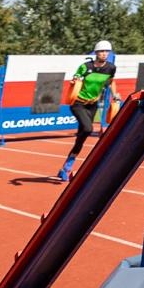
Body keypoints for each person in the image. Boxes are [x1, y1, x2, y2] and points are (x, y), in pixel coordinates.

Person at [56, 41, 124, 182]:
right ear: (96, 53)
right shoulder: (86, 67)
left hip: (92, 105)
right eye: (101, 51)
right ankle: (67, 168)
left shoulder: (111, 68)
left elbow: (111, 82)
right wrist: (75, 81)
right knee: (88, 129)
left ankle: (66, 167)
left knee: (81, 137)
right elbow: (76, 79)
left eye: (107, 51)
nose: (104, 54)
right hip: (78, 104)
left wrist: (115, 94)